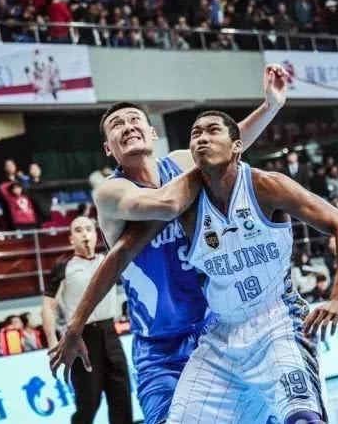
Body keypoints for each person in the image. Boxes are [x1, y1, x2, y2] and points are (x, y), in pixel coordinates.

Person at [48, 64, 290, 424]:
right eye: (117, 125)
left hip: (218, 329)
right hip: (161, 348)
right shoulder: (110, 192)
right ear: (109, 148)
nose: (127, 126)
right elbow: (166, 204)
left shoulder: (179, 161)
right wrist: (207, 165)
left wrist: (270, 106)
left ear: (152, 132)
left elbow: (227, 147)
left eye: (134, 120)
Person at [164, 110, 338, 423]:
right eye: (196, 133)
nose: (202, 138)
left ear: (237, 146)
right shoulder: (182, 202)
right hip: (222, 334)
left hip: (278, 321)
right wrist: (81, 320)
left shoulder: (266, 185)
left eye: (213, 130)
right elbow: (121, 251)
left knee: (304, 419)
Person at [42, 216, 130, 424]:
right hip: (82, 338)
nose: (84, 234)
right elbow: (47, 307)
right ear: (71, 239)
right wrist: (52, 340)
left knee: (122, 397)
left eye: (89, 229)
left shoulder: (109, 260)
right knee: (88, 403)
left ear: (96, 234)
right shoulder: (63, 267)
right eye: (78, 230)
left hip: (110, 334)